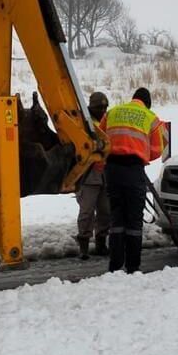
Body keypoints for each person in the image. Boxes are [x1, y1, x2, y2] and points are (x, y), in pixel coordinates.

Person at [100, 87, 166, 273]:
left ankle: (115, 265)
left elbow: (100, 139)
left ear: (133, 98)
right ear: (147, 103)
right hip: (133, 170)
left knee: (117, 218)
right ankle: (132, 266)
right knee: (134, 221)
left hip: (112, 170)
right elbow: (157, 150)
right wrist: (139, 153)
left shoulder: (112, 112)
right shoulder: (151, 118)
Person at [74, 91, 112, 260]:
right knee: (87, 212)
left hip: (105, 174)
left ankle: (101, 244)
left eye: (105, 107)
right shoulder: (83, 123)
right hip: (88, 175)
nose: (103, 110)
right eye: (99, 107)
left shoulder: (108, 121)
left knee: (105, 211)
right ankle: (83, 246)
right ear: (91, 107)